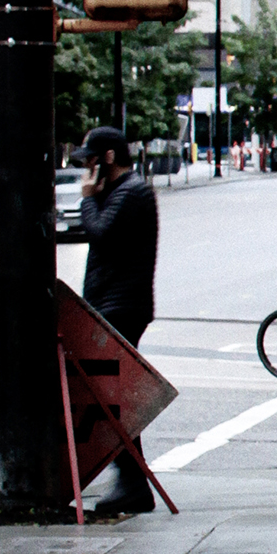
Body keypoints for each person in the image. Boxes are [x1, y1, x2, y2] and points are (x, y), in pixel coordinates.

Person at [73, 126, 160, 515]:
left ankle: (131, 480)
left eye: (91, 159)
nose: (87, 169)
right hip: (115, 303)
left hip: (121, 305)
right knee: (111, 396)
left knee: (111, 397)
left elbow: (100, 232)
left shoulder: (132, 191)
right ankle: (131, 479)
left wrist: (88, 199)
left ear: (108, 157)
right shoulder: (125, 191)